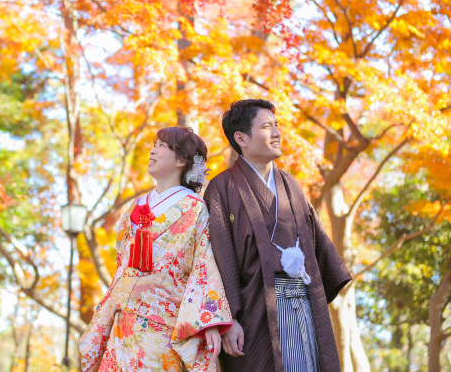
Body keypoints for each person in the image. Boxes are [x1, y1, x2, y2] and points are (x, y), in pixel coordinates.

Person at [204, 99, 352, 372]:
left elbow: (317, 247)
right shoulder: (221, 189)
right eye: (267, 126)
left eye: (277, 126)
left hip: (303, 304)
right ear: (241, 138)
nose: (277, 133)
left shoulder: (290, 185)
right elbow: (217, 258)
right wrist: (228, 320)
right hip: (254, 314)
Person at [79, 127, 232, 372]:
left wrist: (208, 320)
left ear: (182, 160)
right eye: (155, 144)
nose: (153, 150)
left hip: (163, 321)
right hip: (123, 317)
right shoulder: (135, 206)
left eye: (162, 146)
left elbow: (203, 264)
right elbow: (122, 260)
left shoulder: (195, 209)